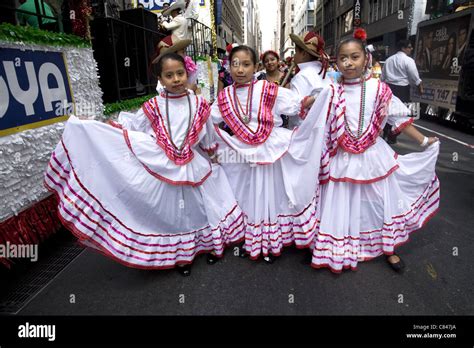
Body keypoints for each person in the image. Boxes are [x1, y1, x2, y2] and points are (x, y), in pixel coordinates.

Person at [45, 53, 244, 276]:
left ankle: (204, 246)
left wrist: (213, 155)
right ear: (160, 78)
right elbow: (132, 127)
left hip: (192, 166)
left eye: (180, 73)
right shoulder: (152, 106)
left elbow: (207, 135)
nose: (176, 79)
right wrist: (96, 127)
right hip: (162, 165)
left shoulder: (199, 104)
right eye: (169, 75)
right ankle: (181, 256)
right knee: (174, 215)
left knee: (197, 209)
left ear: (187, 74)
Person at [305, 29, 440, 273]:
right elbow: (311, 115)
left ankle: (388, 247)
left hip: (373, 155)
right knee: (341, 201)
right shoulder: (330, 90)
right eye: (343, 58)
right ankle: (338, 247)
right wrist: (306, 103)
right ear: (337, 61)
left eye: (354, 57)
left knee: (379, 201)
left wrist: (423, 142)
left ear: (365, 59)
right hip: (341, 157)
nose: (348, 63)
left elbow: (397, 118)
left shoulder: (379, 89)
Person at [211, 45, 322, 263]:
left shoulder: (267, 89)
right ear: (229, 67)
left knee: (270, 193)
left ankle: (272, 238)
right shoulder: (224, 96)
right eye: (235, 64)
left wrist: (322, 96)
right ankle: (252, 237)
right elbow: (208, 119)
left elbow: (295, 105)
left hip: (270, 146)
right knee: (247, 193)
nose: (240, 70)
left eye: (246, 64)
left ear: (255, 67)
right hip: (241, 152)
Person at [382, 39, 423, 144]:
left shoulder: (389, 60)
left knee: (388, 112)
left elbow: (383, 77)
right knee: (402, 114)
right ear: (403, 48)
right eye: (409, 47)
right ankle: (393, 134)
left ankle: (387, 132)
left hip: (389, 88)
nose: (411, 49)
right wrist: (420, 88)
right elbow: (415, 77)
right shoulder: (409, 61)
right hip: (402, 89)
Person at [287, 31, 330, 129]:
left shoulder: (301, 77)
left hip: (305, 134)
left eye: (296, 52)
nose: (294, 56)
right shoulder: (323, 73)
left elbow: (296, 113)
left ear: (304, 54)